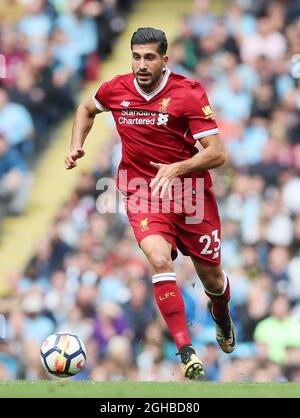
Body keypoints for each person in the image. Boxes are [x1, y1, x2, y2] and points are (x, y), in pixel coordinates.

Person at [65, 27, 235, 380]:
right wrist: (75, 145)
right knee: (159, 259)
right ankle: (186, 350)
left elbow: (218, 153)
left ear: (164, 60)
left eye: (149, 58)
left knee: (214, 280)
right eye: (136, 57)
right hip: (142, 191)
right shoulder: (115, 88)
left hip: (190, 195)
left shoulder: (187, 93)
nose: (141, 65)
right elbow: (85, 108)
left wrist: (179, 167)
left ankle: (221, 312)